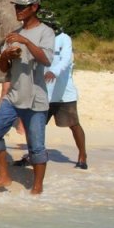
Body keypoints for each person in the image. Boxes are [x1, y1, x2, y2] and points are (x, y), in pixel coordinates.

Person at [0, 0, 54, 195]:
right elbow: (4, 68)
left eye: (22, 6)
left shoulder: (46, 32)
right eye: (17, 6)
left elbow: (46, 59)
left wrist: (27, 43)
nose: (18, 10)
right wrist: (5, 55)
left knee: (36, 147)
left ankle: (37, 189)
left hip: (35, 98)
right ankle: (4, 175)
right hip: (13, 96)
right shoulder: (13, 34)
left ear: (34, 8)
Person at [42, 12, 88, 169]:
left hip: (64, 94)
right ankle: (34, 154)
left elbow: (66, 59)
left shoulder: (64, 39)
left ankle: (82, 155)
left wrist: (53, 72)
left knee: (74, 124)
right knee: (36, 126)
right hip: (43, 93)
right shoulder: (38, 40)